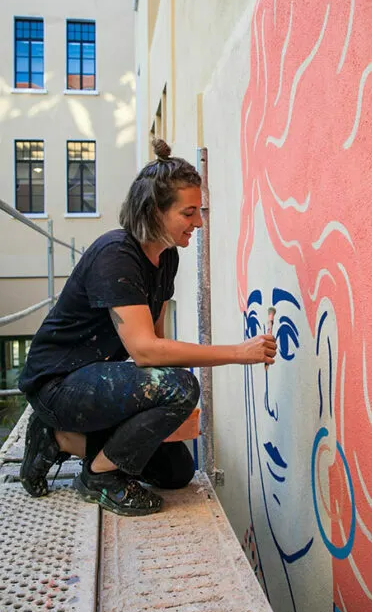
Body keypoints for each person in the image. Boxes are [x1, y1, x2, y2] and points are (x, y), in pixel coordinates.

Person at [18, 138, 276, 517]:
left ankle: (58, 439)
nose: (199, 222)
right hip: (57, 385)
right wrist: (239, 353)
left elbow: (155, 346)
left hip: (95, 380)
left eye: (199, 211)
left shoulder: (165, 257)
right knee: (182, 385)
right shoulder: (116, 255)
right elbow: (145, 351)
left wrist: (166, 405)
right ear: (156, 211)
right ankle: (98, 477)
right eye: (189, 213)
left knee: (176, 471)